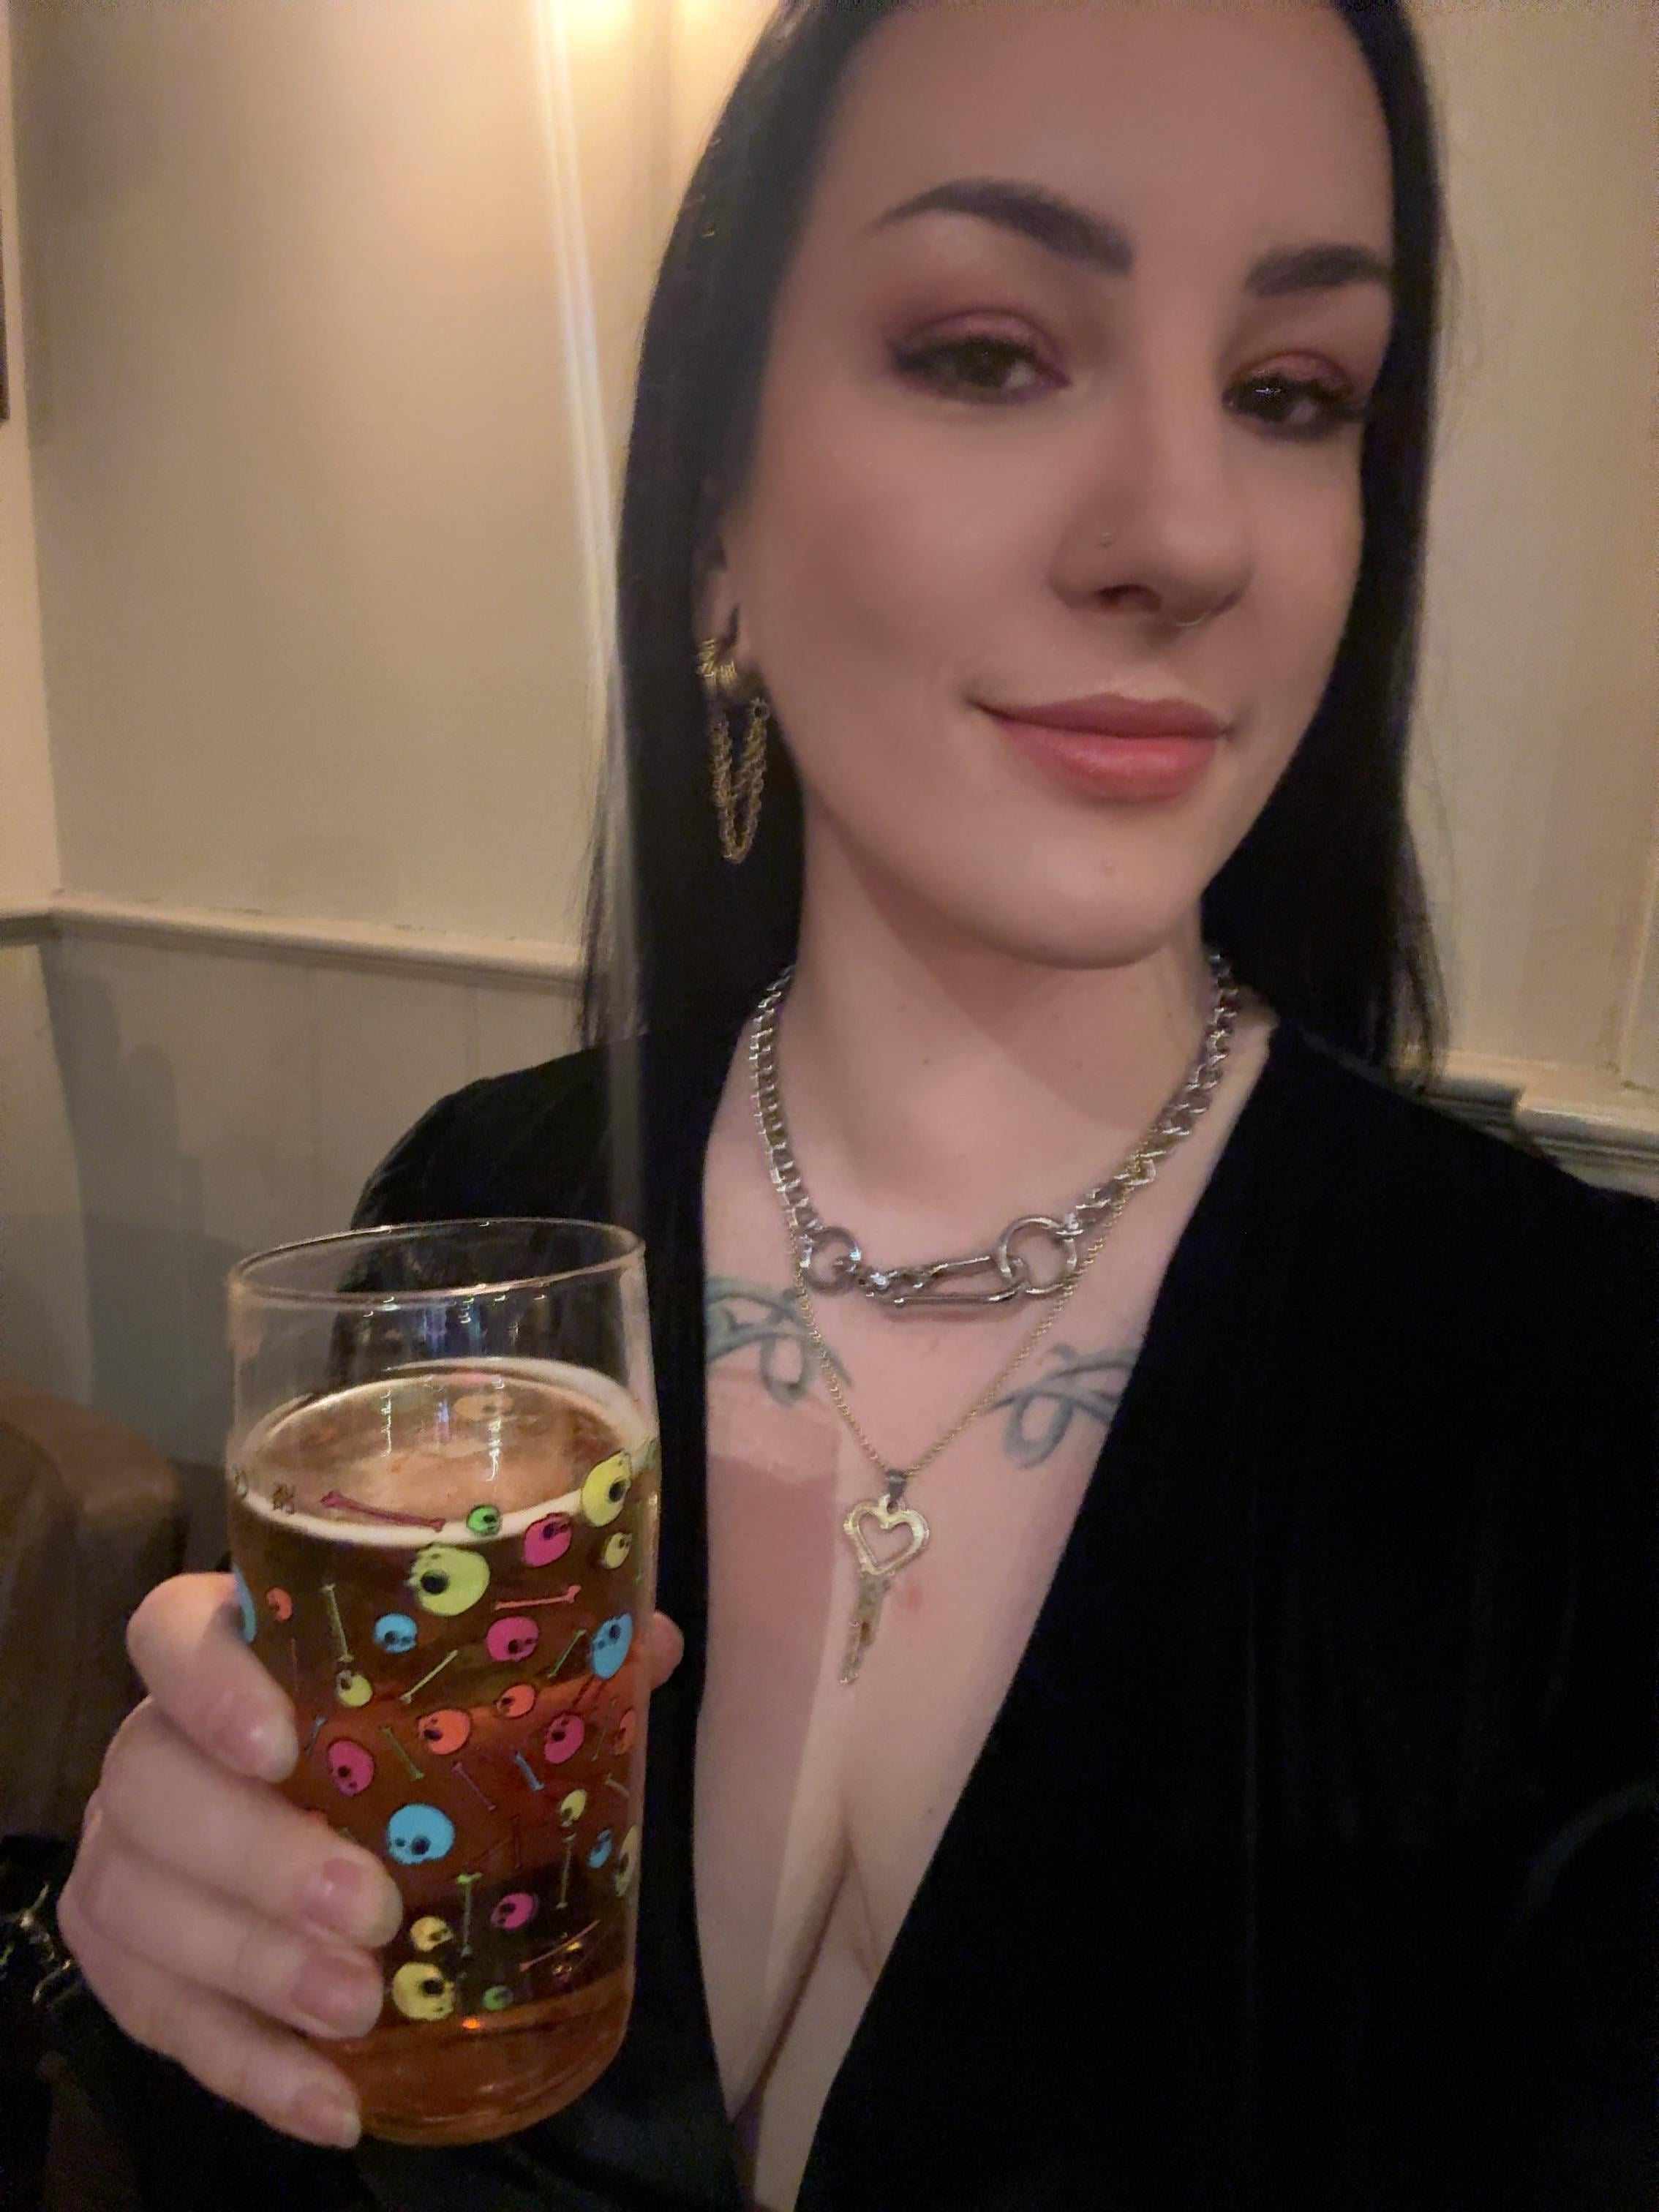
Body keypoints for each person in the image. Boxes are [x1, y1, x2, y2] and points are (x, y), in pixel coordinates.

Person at [4, 1, 1653, 2206]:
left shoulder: (1577, 1386)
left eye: (1290, 395)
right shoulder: (485, 1216)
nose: (1186, 534)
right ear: (715, 528)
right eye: (987, 351)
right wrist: (169, 1960)